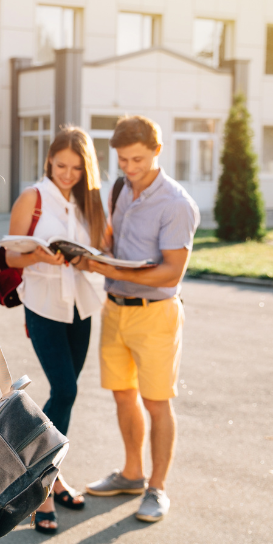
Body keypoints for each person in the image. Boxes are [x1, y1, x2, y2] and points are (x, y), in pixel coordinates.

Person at [83, 115, 199, 523]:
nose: (129, 168)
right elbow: (113, 238)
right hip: (115, 309)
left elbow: (172, 272)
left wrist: (113, 270)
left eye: (137, 160)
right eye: (123, 160)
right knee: (122, 394)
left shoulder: (177, 204)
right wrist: (97, 254)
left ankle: (157, 487)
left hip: (157, 315)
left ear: (157, 152)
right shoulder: (121, 189)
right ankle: (132, 473)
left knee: (156, 401)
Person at [3, 127, 107, 533]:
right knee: (65, 390)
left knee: (66, 395)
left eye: (76, 168)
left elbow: (100, 250)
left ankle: (53, 474)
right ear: (49, 162)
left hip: (82, 306)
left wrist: (86, 259)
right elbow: (11, 254)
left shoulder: (88, 202)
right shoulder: (33, 197)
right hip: (44, 305)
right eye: (61, 166)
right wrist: (39, 255)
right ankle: (39, 487)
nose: (68, 174)